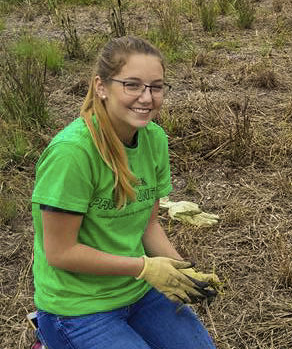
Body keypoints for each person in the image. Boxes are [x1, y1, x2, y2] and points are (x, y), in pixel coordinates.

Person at [31, 36, 220, 349]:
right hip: (78, 308)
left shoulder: (154, 139)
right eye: (132, 85)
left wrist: (185, 273)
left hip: (137, 291)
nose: (146, 98)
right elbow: (60, 252)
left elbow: (148, 226)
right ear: (102, 87)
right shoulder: (72, 153)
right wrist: (144, 267)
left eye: (156, 87)